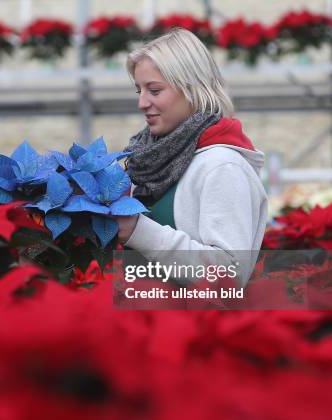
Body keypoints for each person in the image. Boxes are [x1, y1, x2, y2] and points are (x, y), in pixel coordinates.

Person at [115, 28, 268, 286]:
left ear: (192, 89)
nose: (142, 103)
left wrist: (136, 230)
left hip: (196, 323)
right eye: (138, 91)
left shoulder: (222, 166)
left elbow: (229, 273)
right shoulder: (150, 158)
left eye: (154, 90)